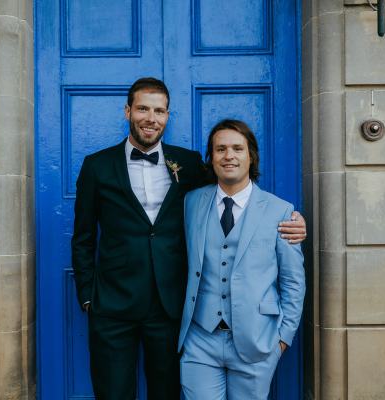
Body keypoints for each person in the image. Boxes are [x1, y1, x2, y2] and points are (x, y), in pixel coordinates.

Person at [71, 78, 306, 400]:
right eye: (142, 108)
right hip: (113, 306)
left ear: (168, 115)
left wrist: (293, 222)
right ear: (128, 111)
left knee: (167, 394)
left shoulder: (191, 164)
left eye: (159, 111)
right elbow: (83, 236)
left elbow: (237, 194)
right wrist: (87, 296)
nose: (151, 118)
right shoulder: (97, 166)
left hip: (172, 309)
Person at [178, 119, 306, 400]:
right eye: (220, 149)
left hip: (257, 340)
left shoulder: (280, 210)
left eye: (237, 148)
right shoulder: (191, 202)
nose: (229, 156)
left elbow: (293, 282)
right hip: (200, 338)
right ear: (211, 157)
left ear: (251, 156)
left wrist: (282, 339)